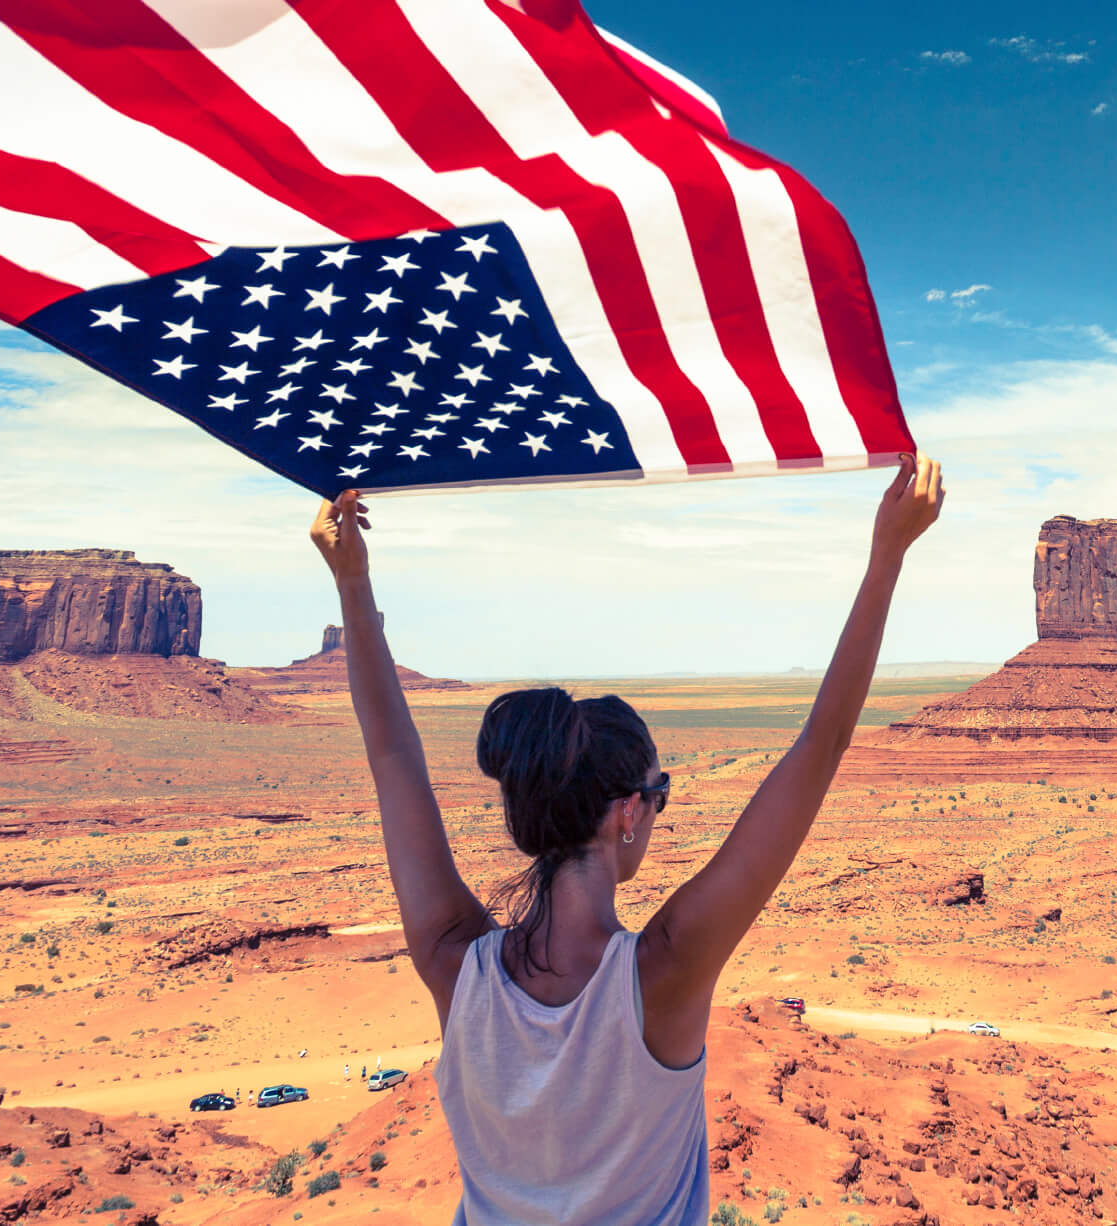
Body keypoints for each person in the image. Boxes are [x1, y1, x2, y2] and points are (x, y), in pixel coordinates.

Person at [308, 454, 946, 1226]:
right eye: (659, 793)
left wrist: (352, 584)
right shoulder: (662, 973)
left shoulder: (453, 962)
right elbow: (823, 743)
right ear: (627, 814)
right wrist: (888, 557)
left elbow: (391, 756)